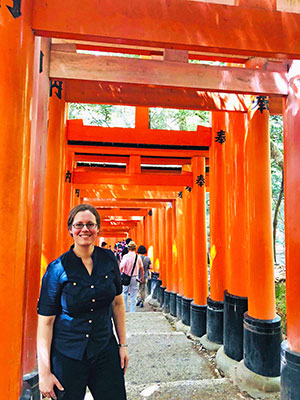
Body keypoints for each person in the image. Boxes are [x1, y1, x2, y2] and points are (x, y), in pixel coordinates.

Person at [36, 204, 128, 400]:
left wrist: (123, 345)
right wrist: (44, 373)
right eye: (79, 225)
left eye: (90, 224)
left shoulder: (109, 260)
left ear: (97, 229)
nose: (84, 229)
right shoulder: (57, 269)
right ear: (70, 229)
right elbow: (46, 322)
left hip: (104, 348)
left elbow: (117, 304)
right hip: (68, 354)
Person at [119, 241, 143, 312]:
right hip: (135, 277)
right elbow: (142, 268)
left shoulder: (125, 256)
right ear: (135, 248)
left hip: (126, 277)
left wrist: (119, 275)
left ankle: (125, 308)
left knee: (125, 292)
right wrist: (142, 277)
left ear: (128, 248)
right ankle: (133, 310)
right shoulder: (137, 257)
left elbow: (121, 267)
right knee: (133, 294)